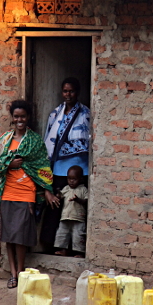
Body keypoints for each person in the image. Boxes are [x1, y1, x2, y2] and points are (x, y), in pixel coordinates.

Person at [0, 99, 60, 289]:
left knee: (21, 236)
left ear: (27, 117)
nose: (19, 120)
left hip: (26, 193)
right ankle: (13, 274)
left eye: (22, 116)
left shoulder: (35, 141)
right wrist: (9, 165)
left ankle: (21, 272)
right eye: (16, 117)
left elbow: (42, 167)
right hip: (7, 193)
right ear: (12, 119)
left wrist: (47, 190)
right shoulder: (5, 140)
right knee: (8, 237)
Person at [41, 77, 90, 253]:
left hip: (80, 169)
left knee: (76, 207)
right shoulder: (55, 114)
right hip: (60, 169)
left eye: (71, 91)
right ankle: (50, 245)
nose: (68, 94)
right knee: (55, 206)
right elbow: (49, 140)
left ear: (78, 92)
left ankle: (75, 248)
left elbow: (89, 141)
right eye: (65, 91)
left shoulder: (85, 113)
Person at [54, 165, 88, 258]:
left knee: (78, 236)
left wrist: (78, 200)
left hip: (78, 218)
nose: (71, 181)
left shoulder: (83, 189)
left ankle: (79, 252)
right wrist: (58, 195)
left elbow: (86, 201)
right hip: (65, 216)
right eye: (69, 179)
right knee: (62, 234)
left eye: (74, 179)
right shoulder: (66, 188)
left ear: (80, 179)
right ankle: (63, 250)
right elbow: (60, 196)